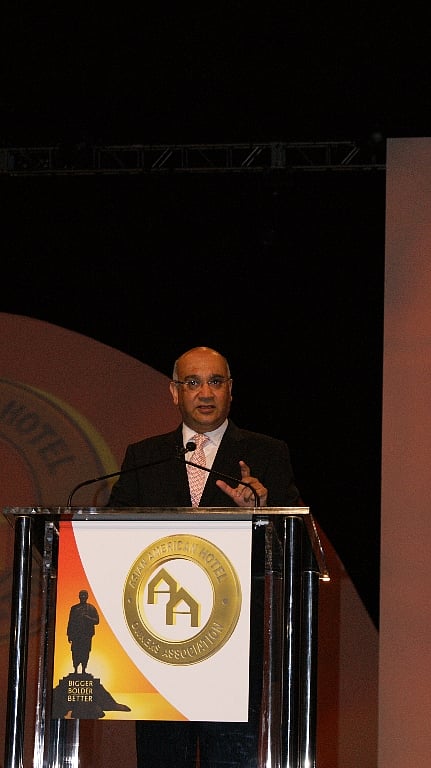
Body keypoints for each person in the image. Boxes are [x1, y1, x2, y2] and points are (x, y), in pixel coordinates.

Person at [108, 345, 301, 768]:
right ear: (174, 392)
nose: (205, 393)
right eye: (193, 383)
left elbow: (296, 548)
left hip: (236, 643)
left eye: (215, 381)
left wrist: (263, 513)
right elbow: (111, 536)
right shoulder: (145, 456)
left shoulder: (267, 453)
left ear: (231, 390)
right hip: (159, 645)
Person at [67, 589, 100, 674]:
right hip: (76, 636)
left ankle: (83, 670)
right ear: (79, 596)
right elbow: (70, 622)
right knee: (75, 652)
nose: (83, 597)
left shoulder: (91, 608)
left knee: (85, 652)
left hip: (86, 636)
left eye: (84, 595)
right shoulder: (74, 608)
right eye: (81, 595)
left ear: (87, 597)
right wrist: (69, 635)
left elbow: (97, 621)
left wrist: (88, 618)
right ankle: (75, 670)